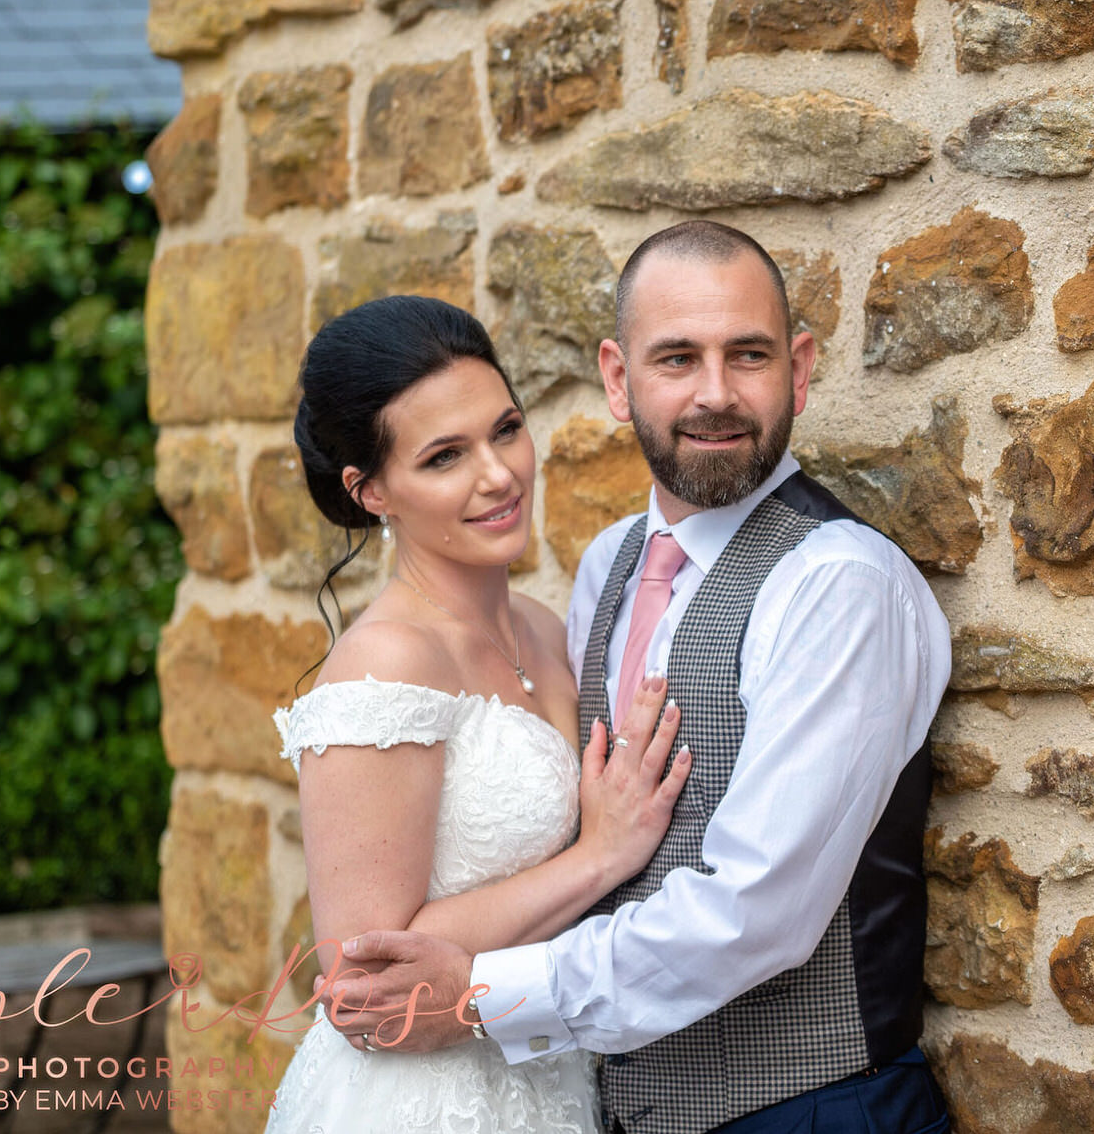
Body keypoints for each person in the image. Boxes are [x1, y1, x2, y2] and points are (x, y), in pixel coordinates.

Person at [323, 222, 954, 1134]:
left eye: (749, 354)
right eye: (676, 358)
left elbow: (757, 910)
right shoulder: (607, 567)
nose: (715, 393)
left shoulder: (840, 583)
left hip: (814, 1105)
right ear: (619, 381)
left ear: (801, 368)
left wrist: (481, 994)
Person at [263, 295, 692, 1134]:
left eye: (505, 429)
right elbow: (365, 971)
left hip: (546, 1070)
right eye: (444, 457)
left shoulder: (546, 625)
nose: (498, 474)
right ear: (371, 489)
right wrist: (598, 856)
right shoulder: (388, 661)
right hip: (417, 1101)